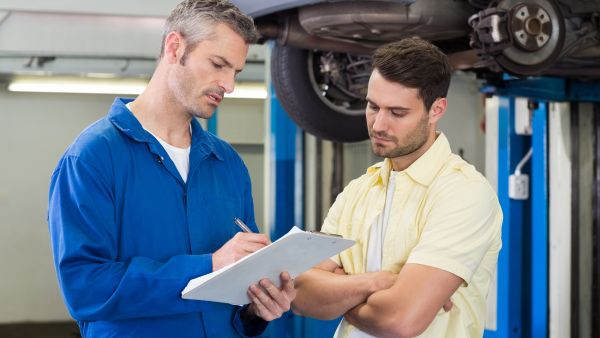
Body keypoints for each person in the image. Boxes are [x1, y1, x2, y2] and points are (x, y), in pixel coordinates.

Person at [47, 1, 295, 337]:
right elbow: (85, 289)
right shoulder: (92, 158)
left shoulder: (227, 164)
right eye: (218, 64)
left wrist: (256, 308)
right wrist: (209, 267)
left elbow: (237, 295)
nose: (229, 85)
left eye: (235, 72)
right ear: (175, 47)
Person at [291, 37, 503, 338]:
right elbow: (300, 294)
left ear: (436, 110)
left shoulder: (463, 193)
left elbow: (400, 320)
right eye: (373, 106)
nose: (378, 124)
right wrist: (374, 283)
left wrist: (341, 292)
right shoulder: (358, 191)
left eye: (397, 112)